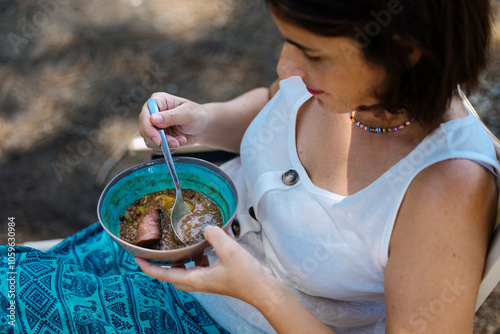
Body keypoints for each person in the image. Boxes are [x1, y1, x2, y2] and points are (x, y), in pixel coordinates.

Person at [0, 1, 497, 333]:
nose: (286, 67)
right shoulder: (349, 84)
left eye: (312, 53)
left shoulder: (446, 189)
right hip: (166, 260)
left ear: (406, 51)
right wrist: (203, 122)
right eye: (287, 41)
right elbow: (272, 105)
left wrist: (260, 293)